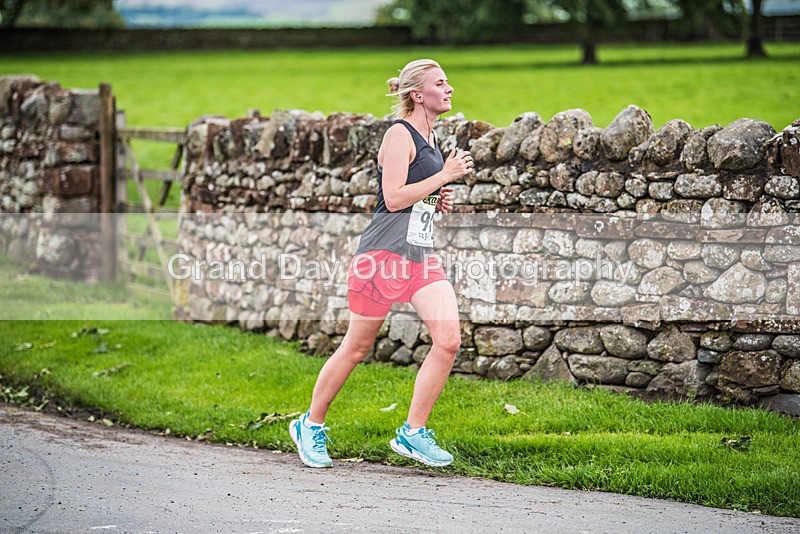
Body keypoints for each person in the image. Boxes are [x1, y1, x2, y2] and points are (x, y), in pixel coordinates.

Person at [290, 58, 474, 468]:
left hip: (420, 257)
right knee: (356, 348)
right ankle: (310, 424)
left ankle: (412, 433)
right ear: (417, 94)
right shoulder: (398, 135)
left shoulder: (430, 138)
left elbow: (414, 195)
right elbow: (392, 198)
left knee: (448, 341)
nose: (450, 89)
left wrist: (435, 199)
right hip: (382, 258)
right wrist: (443, 177)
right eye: (441, 83)